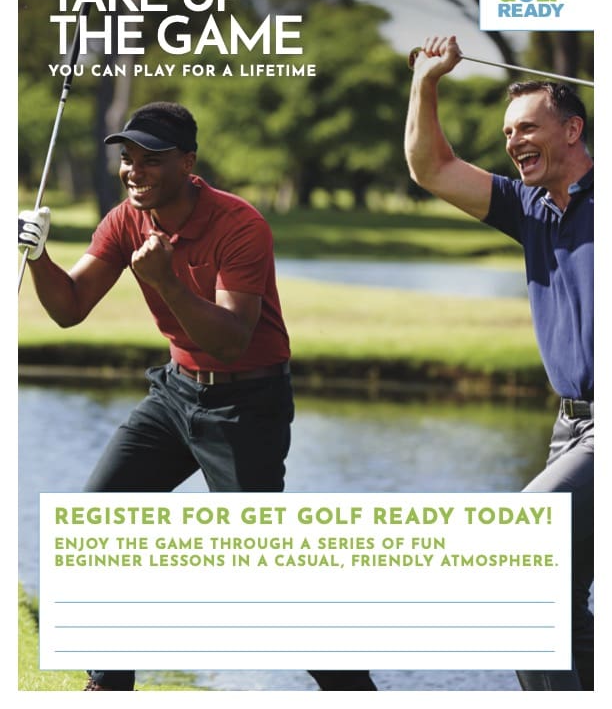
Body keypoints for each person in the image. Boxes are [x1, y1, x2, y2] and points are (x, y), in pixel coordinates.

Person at [18, 101, 377, 693]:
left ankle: (352, 691)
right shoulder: (125, 219)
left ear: (188, 162)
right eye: (128, 158)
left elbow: (232, 340)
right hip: (175, 394)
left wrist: (163, 283)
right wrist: (39, 258)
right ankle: (109, 684)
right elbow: (69, 309)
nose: (134, 170)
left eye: (150, 159)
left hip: (245, 405)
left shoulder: (241, 225)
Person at [404, 36, 593, 691]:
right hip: (569, 428)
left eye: (529, 128)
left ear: (573, 129)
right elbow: (431, 167)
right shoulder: (530, 207)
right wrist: (427, 83)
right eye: (509, 132)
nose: (514, 142)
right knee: (543, 603)